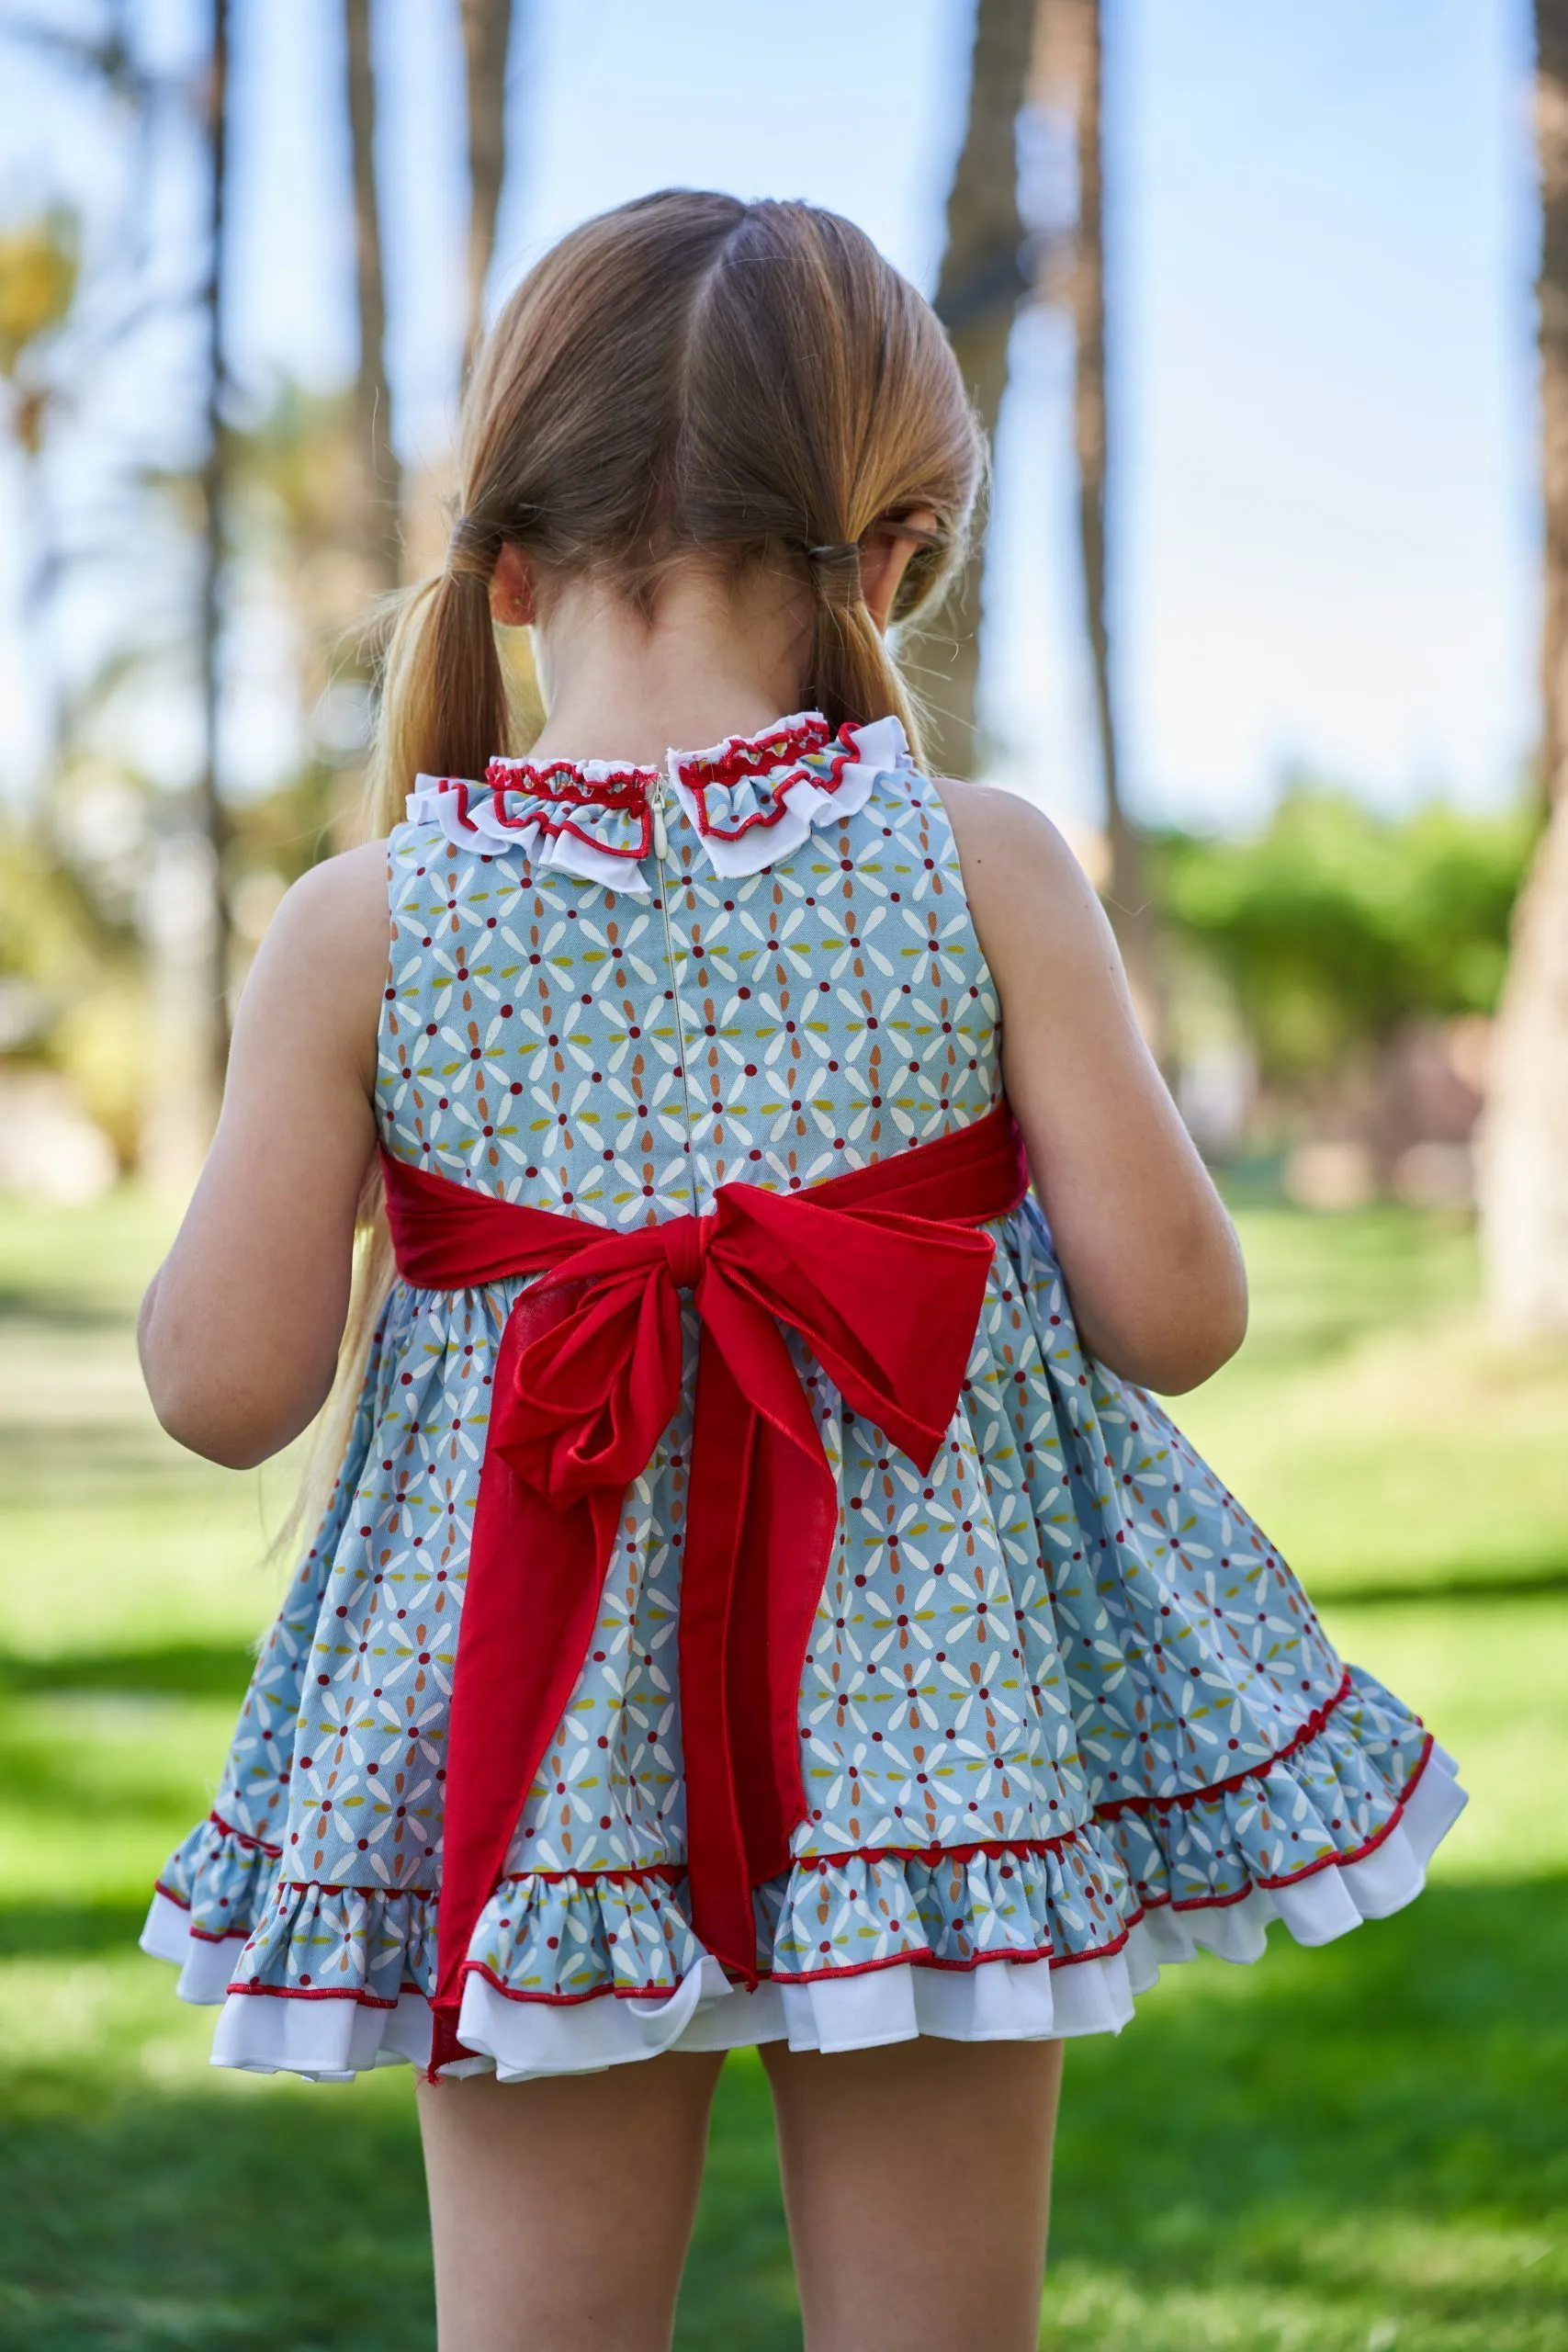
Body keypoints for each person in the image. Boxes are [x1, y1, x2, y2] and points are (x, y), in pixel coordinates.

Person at [137, 191, 1465, 2352]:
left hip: (532, 1736)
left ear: (502, 563)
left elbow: (219, 1385)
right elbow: (1179, 1313)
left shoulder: (362, 922)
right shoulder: (988, 867)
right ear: (892, 555)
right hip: (934, 1751)